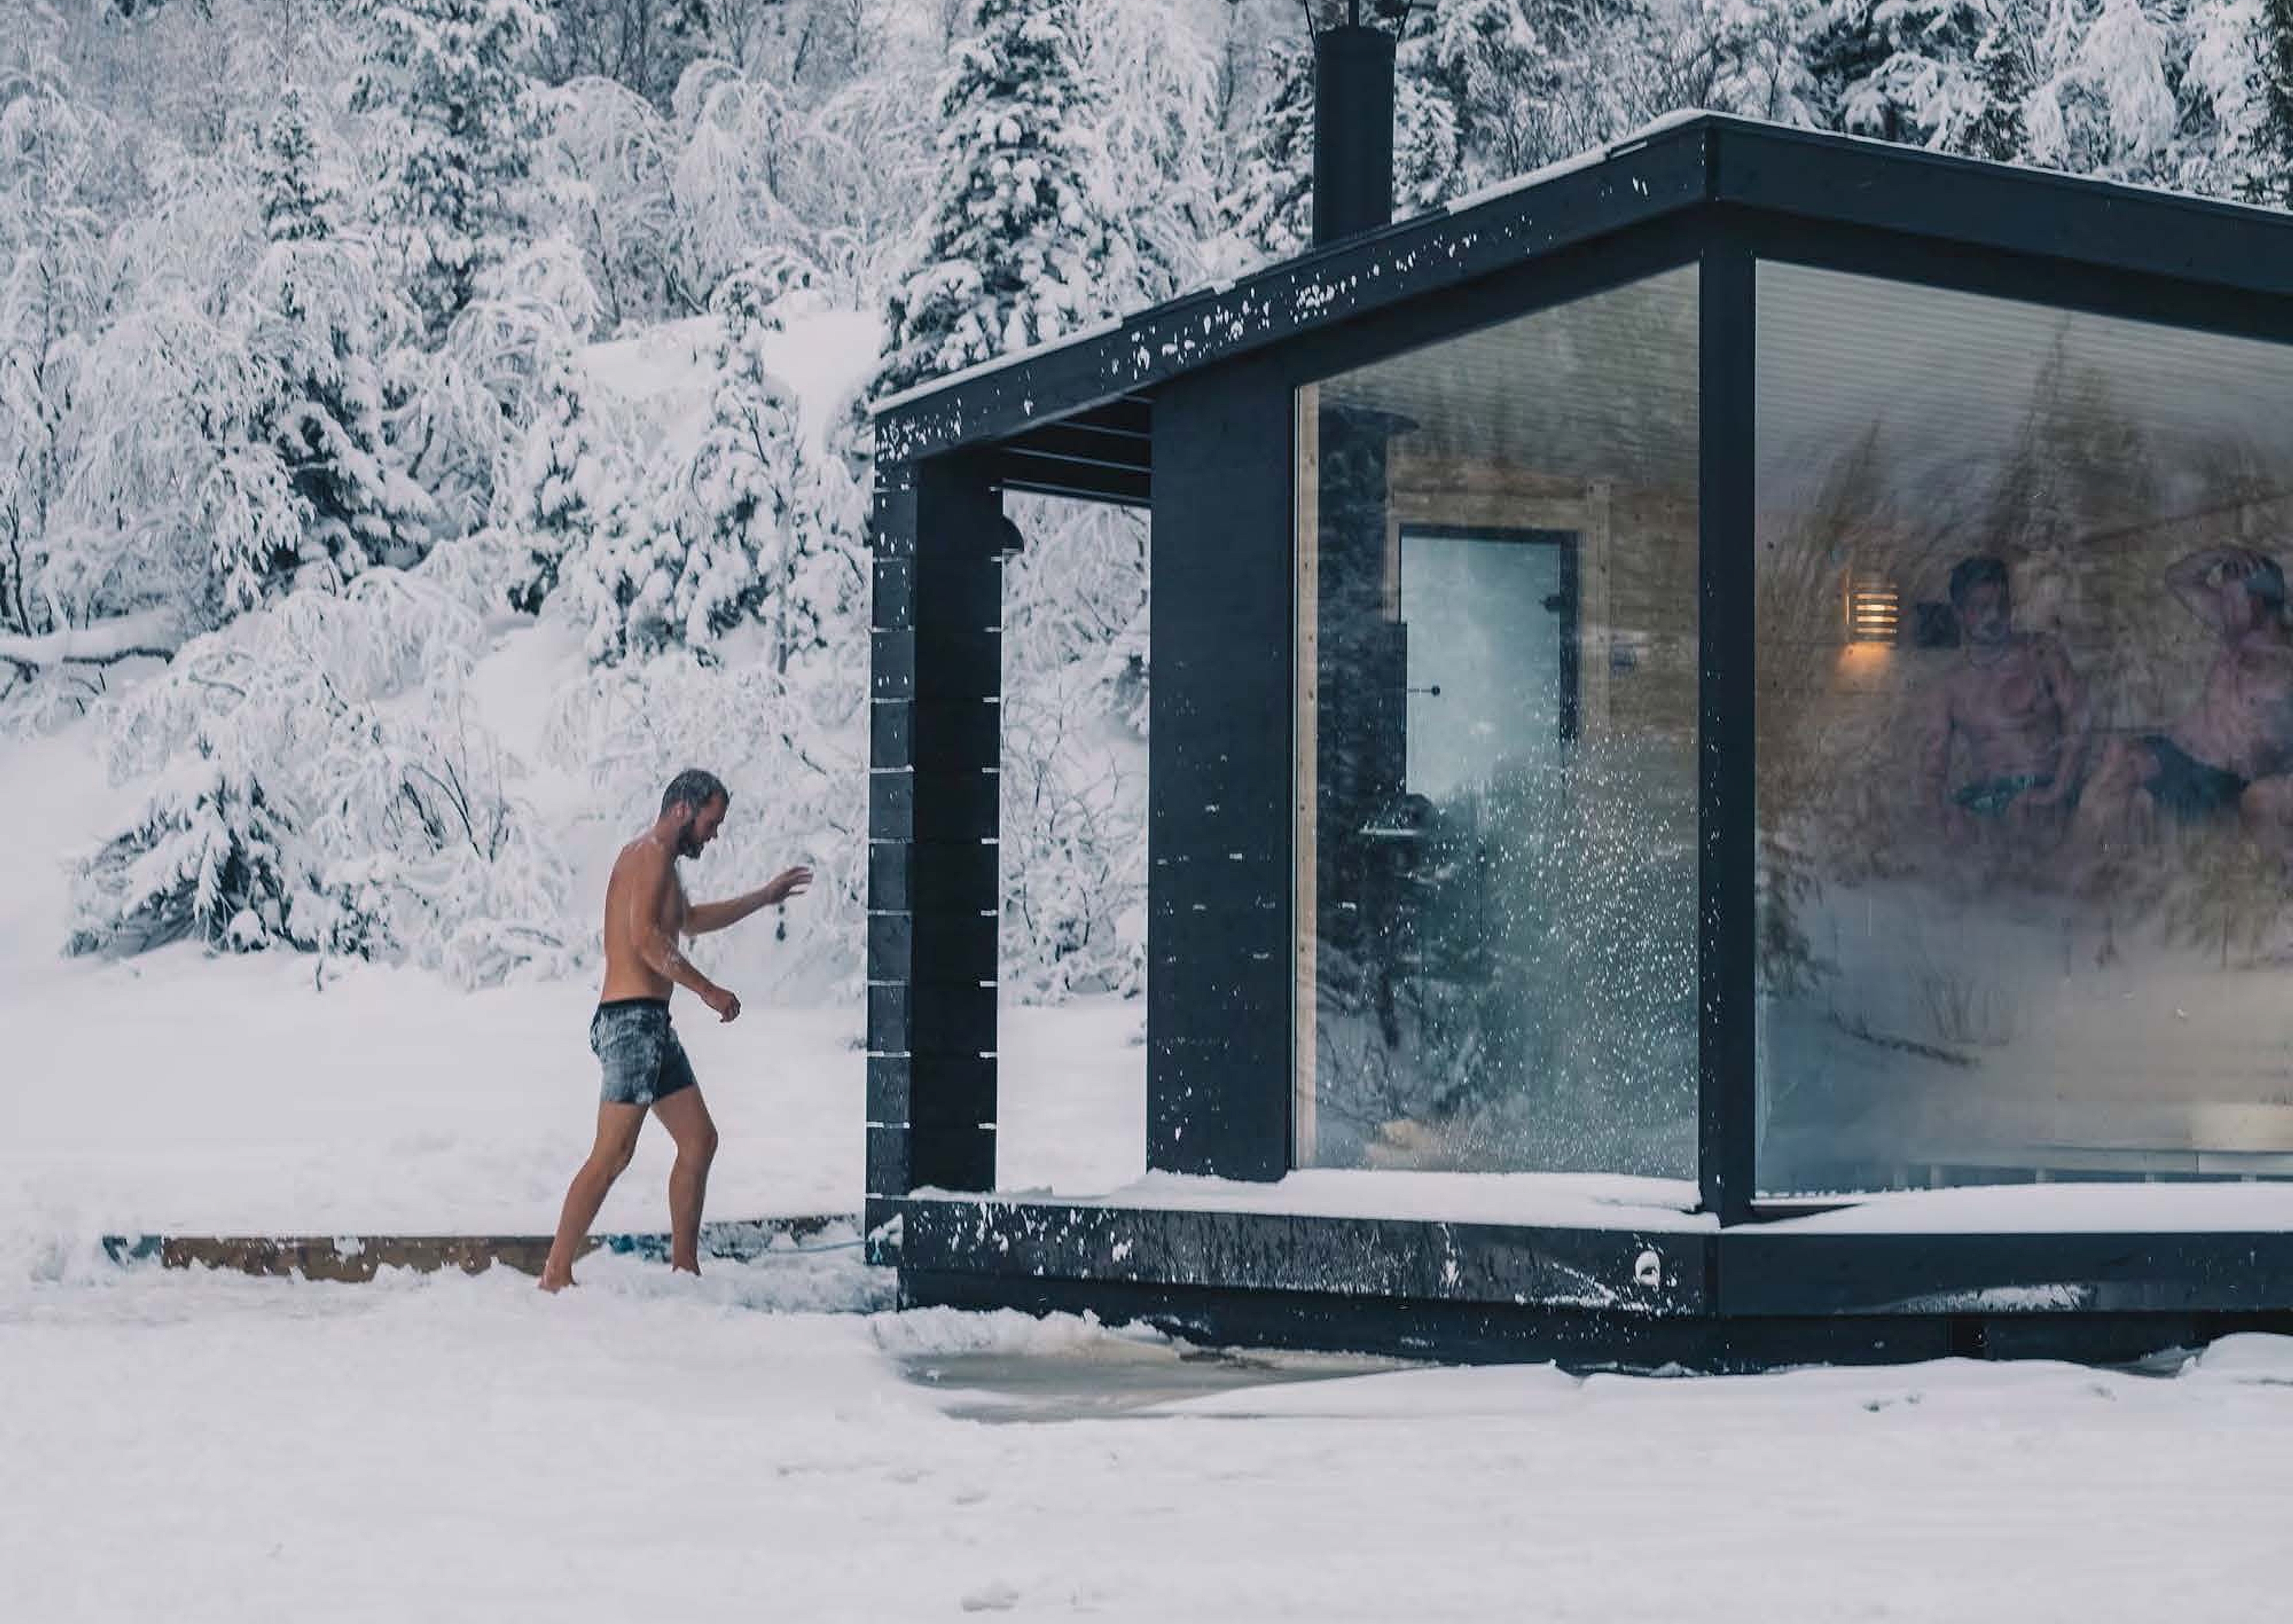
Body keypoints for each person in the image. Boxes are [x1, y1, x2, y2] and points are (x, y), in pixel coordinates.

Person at [538, 769, 812, 1292]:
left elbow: (688, 920)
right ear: (683, 809)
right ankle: (555, 1276)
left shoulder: (661, 863)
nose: (714, 835)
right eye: (712, 822)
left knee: (699, 1140)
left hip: (651, 1025)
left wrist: (763, 896)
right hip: (630, 1024)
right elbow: (645, 939)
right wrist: (708, 990)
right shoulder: (649, 856)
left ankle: (685, 1270)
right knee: (613, 1154)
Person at [2076, 545, 2293, 856]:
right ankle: (2073, 864)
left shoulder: (2285, 660)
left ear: (2258, 603)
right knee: (2117, 759)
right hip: (2177, 754)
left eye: (2231, 599)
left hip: (2224, 778)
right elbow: (2177, 579)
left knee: (2261, 803)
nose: (2222, 606)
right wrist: (2220, 553)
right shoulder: (2233, 628)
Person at [1921, 555, 2091, 850]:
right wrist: (1940, 815)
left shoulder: (2042, 654)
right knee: (1961, 834)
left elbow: (2079, 722)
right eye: (1981, 607)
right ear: (1959, 613)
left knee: (2022, 819)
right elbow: (1933, 767)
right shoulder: (1950, 685)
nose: (1994, 616)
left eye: (2001, 605)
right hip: (1987, 797)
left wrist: (2057, 791)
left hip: (2044, 789)